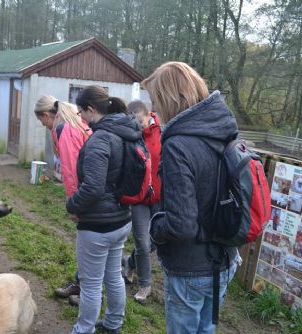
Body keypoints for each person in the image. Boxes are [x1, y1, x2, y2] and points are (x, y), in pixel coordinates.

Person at [143, 62, 240, 334]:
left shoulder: (177, 145)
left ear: (169, 99)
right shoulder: (224, 129)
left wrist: (155, 229)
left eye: (155, 100)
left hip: (190, 268)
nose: (154, 109)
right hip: (225, 259)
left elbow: (182, 224)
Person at [66, 85, 138, 334]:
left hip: (98, 225)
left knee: (91, 283)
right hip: (122, 218)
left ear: (90, 109)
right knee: (113, 276)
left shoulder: (100, 140)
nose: (81, 118)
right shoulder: (126, 131)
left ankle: (83, 329)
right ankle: (113, 323)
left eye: (80, 113)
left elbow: (93, 188)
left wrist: (71, 205)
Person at [34, 96, 90, 302]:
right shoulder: (78, 122)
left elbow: (71, 171)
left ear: (47, 115)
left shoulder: (64, 129)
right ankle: (81, 285)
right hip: (95, 194)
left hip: (86, 197)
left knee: (87, 247)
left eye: (43, 122)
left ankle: (86, 293)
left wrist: (74, 204)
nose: (45, 126)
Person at [121, 100, 161, 304]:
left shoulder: (162, 131)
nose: (139, 125)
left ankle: (130, 262)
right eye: (134, 122)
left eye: (141, 121)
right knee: (143, 243)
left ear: (148, 115)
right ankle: (144, 284)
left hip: (161, 198)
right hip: (139, 198)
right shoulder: (130, 136)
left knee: (158, 240)